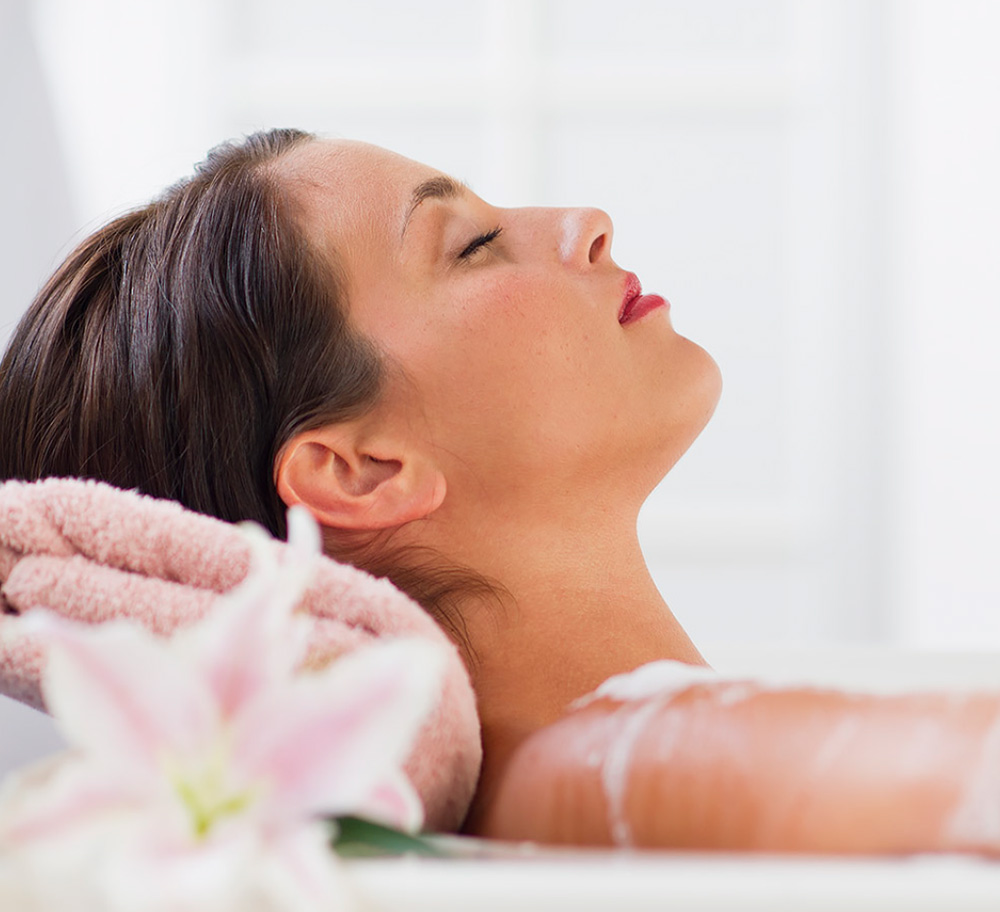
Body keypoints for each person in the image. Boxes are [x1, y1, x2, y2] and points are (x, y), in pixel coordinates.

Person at [1, 129, 998, 855]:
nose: (585, 225)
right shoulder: (610, 765)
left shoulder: (588, 760)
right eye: (469, 245)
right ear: (359, 470)